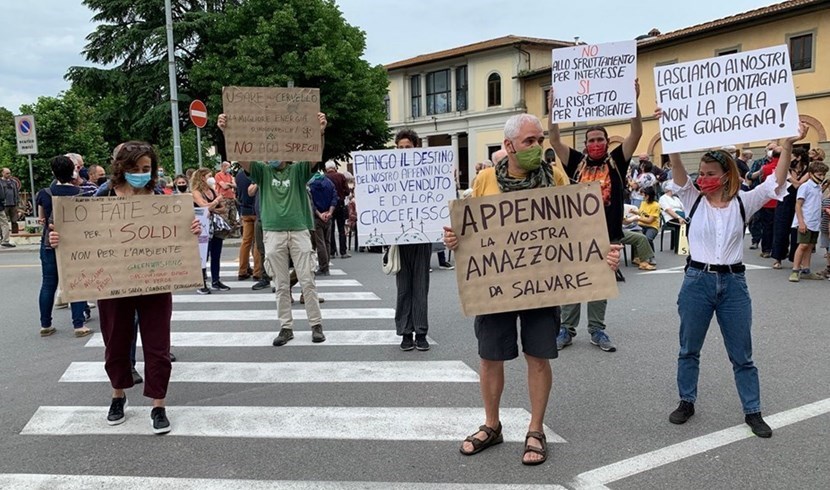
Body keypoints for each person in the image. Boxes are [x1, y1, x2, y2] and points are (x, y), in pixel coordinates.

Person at [444, 113, 618, 465]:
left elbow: (576, 224)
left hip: (542, 284)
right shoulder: (484, 179)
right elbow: (472, 231)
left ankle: (535, 428)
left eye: (540, 139)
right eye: (530, 141)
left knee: (538, 357)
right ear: (508, 146)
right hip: (496, 287)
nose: (537, 147)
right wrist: (455, 238)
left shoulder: (553, 175)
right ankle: (492, 425)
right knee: (491, 356)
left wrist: (600, 254)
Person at [665, 122, 807, 439]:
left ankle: (752, 411)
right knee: (689, 349)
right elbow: (676, 168)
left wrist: (787, 145)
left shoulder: (744, 201)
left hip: (733, 286)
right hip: (696, 281)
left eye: (710, 173)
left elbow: (776, 182)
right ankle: (686, 401)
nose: (703, 178)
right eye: (701, 172)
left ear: (727, 175)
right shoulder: (692, 198)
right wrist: (671, 134)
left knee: (742, 354)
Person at [50, 141, 201, 434]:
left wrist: (191, 228)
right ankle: (118, 395)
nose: (142, 174)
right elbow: (78, 234)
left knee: (158, 346)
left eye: (147, 169)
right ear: (123, 168)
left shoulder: (161, 198)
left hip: (155, 283)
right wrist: (59, 240)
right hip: (114, 284)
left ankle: (159, 404)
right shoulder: (100, 196)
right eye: (135, 169)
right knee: (116, 343)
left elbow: (181, 231)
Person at [218, 112, 328, 346]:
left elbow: (314, 156)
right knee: (280, 283)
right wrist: (227, 132)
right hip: (274, 232)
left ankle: (316, 324)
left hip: (298, 230)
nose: (273, 156)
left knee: (307, 279)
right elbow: (243, 159)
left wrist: (319, 132)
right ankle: (286, 327)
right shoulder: (263, 172)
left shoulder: (298, 171)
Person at [548, 81, 642, 352]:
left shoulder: (617, 160)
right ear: (586, 144)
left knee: (601, 283)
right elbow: (554, 139)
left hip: (608, 233)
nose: (596, 143)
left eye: (601, 139)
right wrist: (552, 107)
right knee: (574, 281)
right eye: (592, 140)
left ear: (606, 141)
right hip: (577, 234)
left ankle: (597, 330)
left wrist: (633, 101)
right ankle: (566, 329)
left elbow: (636, 131)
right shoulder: (575, 161)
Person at [35, 155, 95, 337]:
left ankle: (46, 325)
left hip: (49, 244)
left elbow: (42, 219)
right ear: (73, 172)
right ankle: (78, 325)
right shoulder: (80, 194)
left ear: (53, 172)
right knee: (76, 283)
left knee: (48, 284)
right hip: (74, 245)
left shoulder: (44, 193)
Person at [191, 168, 231, 293]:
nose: (211, 178)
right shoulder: (196, 192)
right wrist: (215, 202)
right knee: (204, 254)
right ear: (202, 177)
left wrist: (212, 207)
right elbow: (203, 207)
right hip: (203, 225)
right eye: (209, 176)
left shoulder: (212, 190)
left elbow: (223, 208)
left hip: (215, 225)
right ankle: (201, 281)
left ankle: (216, 280)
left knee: (216, 254)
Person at [788, 160, 828, 282]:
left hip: (815, 222)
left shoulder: (818, 188)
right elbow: (798, 205)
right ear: (811, 174)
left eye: (823, 174)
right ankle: (795, 270)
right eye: (819, 174)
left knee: (810, 246)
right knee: (803, 245)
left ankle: (806, 269)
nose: (821, 177)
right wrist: (801, 222)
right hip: (805, 221)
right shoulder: (805, 186)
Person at [308, 170, 337, 276]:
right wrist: (329, 212)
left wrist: (320, 214)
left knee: (320, 243)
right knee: (327, 242)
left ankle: (323, 267)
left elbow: (311, 203)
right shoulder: (329, 183)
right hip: (328, 216)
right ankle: (326, 265)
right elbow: (334, 198)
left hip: (317, 217)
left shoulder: (310, 185)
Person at [236, 167, 261, 281]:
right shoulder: (256, 174)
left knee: (246, 241)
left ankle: (242, 270)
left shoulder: (239, 175)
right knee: (257, 242)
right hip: (256, 210)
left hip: (244, 210)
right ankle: (257, 271)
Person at [325, 161, 351, 259]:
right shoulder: (341, 176)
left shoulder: (325, 177)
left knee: (330, 230)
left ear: (326, 169)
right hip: (340, 204)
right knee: (341, 229)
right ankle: (343, 252)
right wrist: (342, 194)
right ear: (335, 167)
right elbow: (347, 191)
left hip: (329, 206)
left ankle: (332, 252)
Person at [658, 184, 686, 251]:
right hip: (669, 218)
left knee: (689, 223)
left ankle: (686, 246)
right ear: (669, 189)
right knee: (681, 224)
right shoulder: (663, 198)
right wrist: (679, 217)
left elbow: (684, 208)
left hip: (680, 216)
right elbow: (668, 210)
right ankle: (679, 248)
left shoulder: (676, 198)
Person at [637, 186, 660, 256]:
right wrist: (633, 212)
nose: (643, 196)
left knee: (648, 238)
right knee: (635, 237)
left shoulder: (656, 205)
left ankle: (651, 255)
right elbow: (641, 213)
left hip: (652, 226)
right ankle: (637, 256)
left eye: (644, 195)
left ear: (648, 196)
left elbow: (650, 220)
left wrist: (637, 218)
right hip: (641, 225)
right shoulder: (643, 203)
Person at [1, 167, 21, 243]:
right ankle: (2, 237)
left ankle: (16, 237)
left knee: (14, 220)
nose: (9, 175)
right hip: (4, 205)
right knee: (3, 222)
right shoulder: (0, 182)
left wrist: (17, 202)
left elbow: (16, 193)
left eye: (9, 173)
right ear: (2, 173)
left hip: (13, 204)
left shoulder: (13, 182)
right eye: (7, 173)